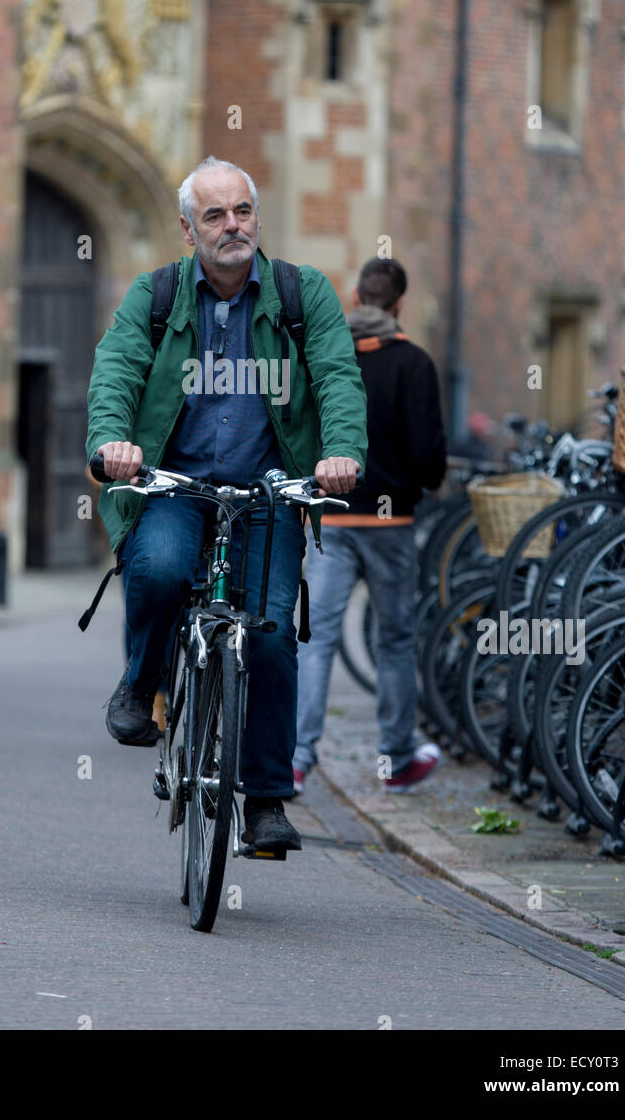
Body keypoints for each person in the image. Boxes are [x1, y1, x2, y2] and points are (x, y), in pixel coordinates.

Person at [86, 156, 367, 852]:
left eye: (241, 211)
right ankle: (142, 683)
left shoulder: (305, 295)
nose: (231, 225)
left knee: (270, 632)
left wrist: (343, 453)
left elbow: (336, 376)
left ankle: (267, 799)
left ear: (257, 217)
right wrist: (112, 443)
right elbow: (115, 372)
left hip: (269, 490)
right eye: (214, 215)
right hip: (177, 484)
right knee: (157, 569)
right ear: (189, 230)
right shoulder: (153, 297)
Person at [294, 256, 447, 793]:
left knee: (315, 640)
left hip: (331, 519)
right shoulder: (414, 364)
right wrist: (409, 483)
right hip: (393, 523)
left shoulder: (326, 356)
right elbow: (431, 458)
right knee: (396, 641)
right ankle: (398, 756)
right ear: (399, 303)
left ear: (355, 297)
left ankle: (297, 755)